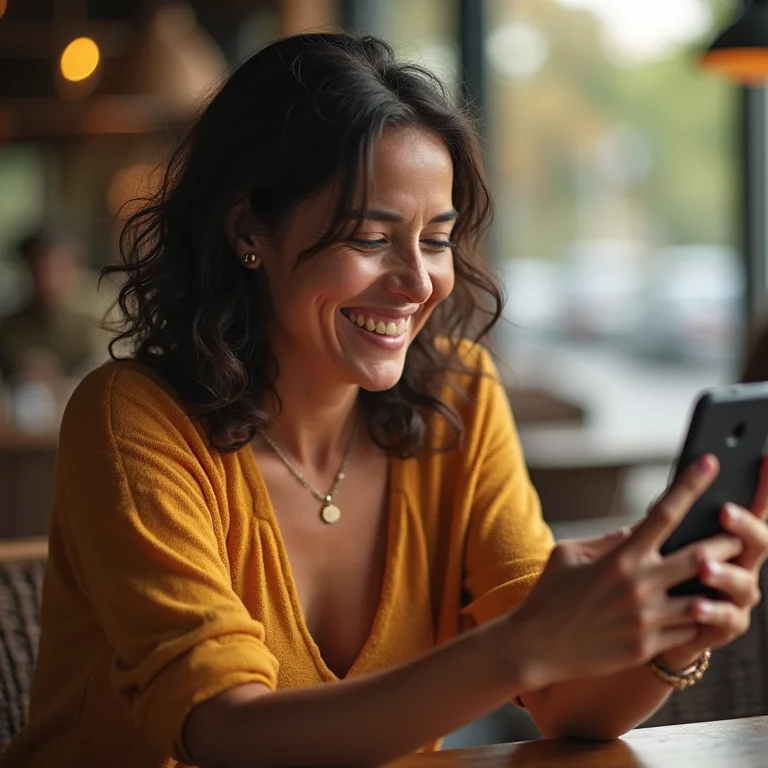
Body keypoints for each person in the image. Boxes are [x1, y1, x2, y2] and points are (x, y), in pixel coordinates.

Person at [3, 33, 767, 768]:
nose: (417, 281)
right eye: (370, 238)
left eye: (436, 238)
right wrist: (521, 644)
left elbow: (566, 705)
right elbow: (226, 733)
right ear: (249, 231)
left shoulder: (458, 399)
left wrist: (674, 631)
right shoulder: (132, 418)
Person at [0, 229, 103, 383]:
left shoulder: (87, 328)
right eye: (38, 267)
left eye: (57, 267)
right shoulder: (8, 329)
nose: (47, 277)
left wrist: (57, 375)